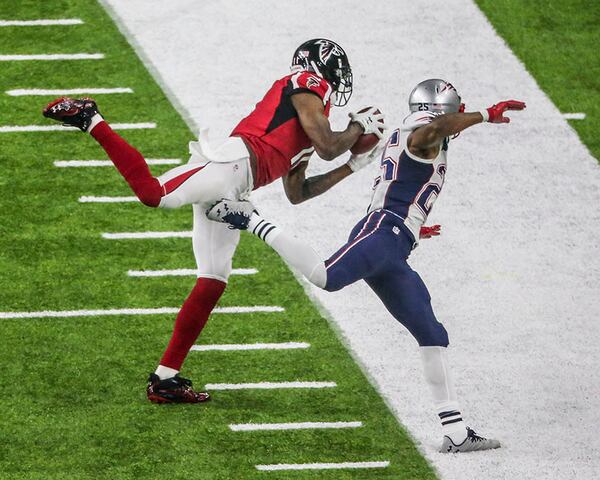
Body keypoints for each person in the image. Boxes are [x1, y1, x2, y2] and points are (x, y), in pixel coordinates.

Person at [41, 38, 386, 404]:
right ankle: (90, 119)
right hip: (228, 164)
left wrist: (353, 166)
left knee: (212, 279)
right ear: (320, 65)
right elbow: (329, 146)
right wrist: (356, 129)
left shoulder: (315, 117)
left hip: (239, 186)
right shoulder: (304, 82)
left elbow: (297, 193)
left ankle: (165, 378)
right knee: (154, 194)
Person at [207, 79, 526, 452]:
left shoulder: (418, 135)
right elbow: (437, 130)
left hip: (395, 241)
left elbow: (405, 181)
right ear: (444, 111)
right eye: (456, 111)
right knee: (325, 276)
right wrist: (486, 115)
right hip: (382, 232)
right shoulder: (426, 134)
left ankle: (454, 433)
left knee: (432, 332)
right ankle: (251, 220)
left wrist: (414, 226)